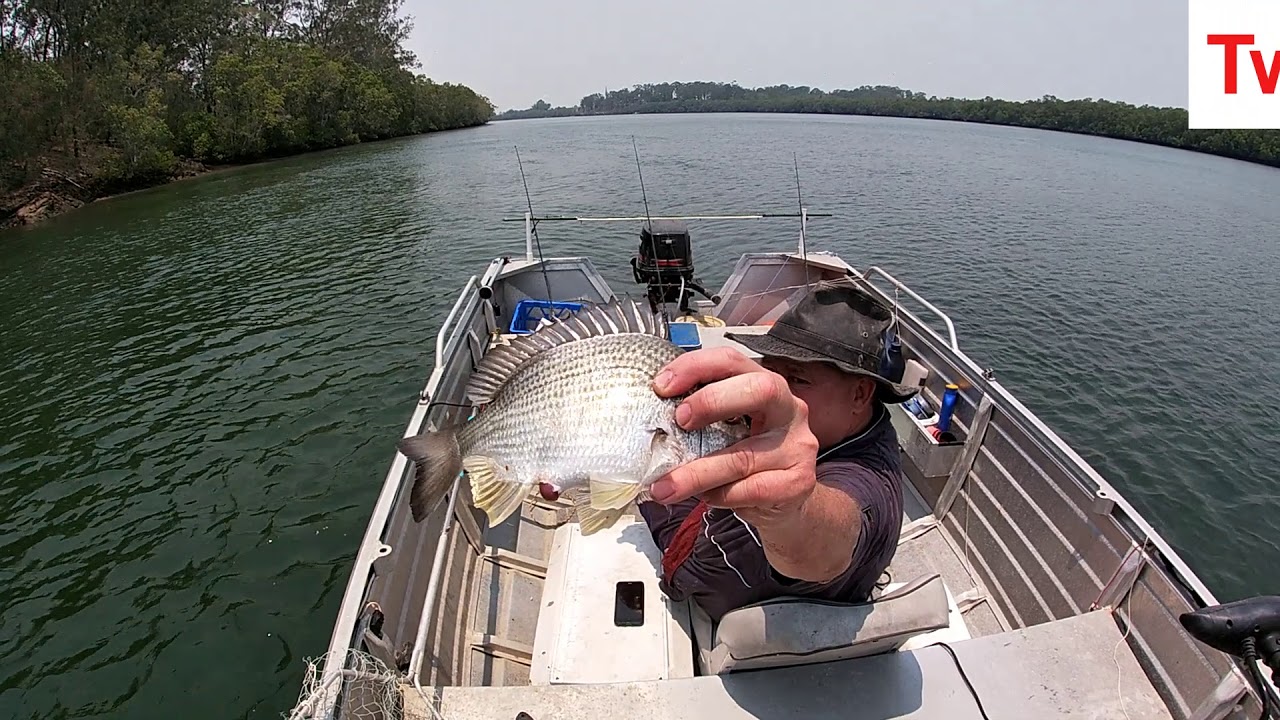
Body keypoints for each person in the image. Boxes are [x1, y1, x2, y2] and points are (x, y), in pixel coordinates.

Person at [637, 277, 920, 622]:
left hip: (707, 611)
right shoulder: (836, 429)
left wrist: (787, 510)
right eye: (770, 371)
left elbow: (827, 545)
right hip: (693, 542)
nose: (776, 390)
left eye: (798, 379)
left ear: (860, 395)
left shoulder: (867, 483)